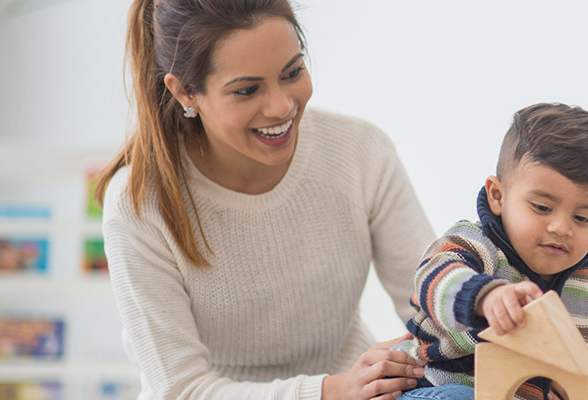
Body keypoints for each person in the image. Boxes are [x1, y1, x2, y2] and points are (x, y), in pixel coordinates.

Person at [94, 0, 433, 398]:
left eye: (293, 72)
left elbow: (434, 305)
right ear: (185, 91)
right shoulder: (139, 204)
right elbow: (181, 390)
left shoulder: (360, 152)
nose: (282, 106)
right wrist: (330, 391)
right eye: (247, 90)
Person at [396, 103, 588, 400]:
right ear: (498, 196)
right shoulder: (477, 246)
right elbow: (434, 277)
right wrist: (485, 297)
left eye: (582, 218)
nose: (561, 228)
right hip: (442, 388)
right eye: (542, 208)